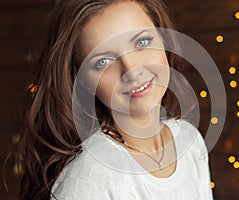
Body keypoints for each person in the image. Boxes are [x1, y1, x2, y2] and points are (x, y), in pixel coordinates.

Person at [18, 0, 214, 199]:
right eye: (103, 61)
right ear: (83, 81)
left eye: (142, 42)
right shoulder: (90, 180)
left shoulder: (190, 141)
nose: (131, 70)